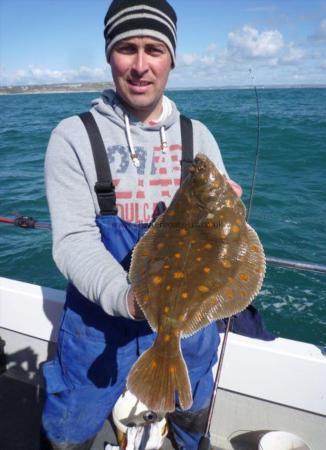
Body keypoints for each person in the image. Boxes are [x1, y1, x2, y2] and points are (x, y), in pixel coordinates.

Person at [41, 1, 246, 449]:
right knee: (69, 432)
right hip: (98, 329)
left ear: (172, 58)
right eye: (126, 49)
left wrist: (231, 214)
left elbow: (225, 247)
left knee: (192, 421)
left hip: (188, 333)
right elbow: (74, 240)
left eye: (154, 49)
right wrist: (130, 298)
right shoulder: (74, 138)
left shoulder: (198, 138)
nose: (140, 65)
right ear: (109, 55)